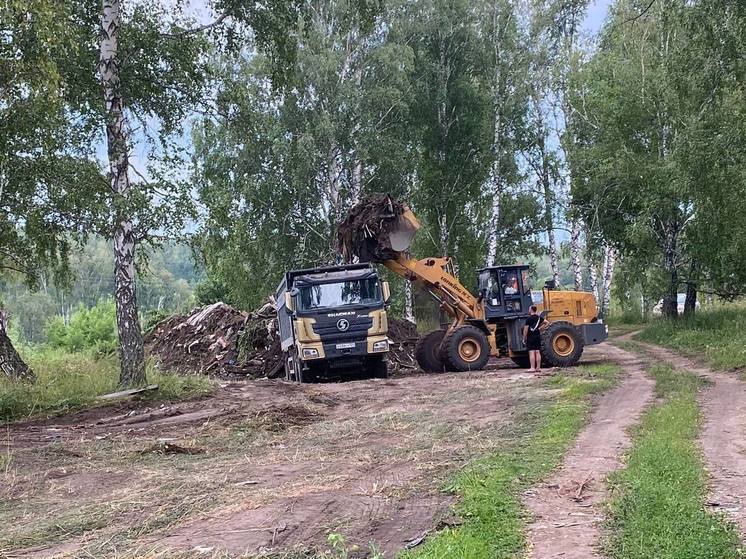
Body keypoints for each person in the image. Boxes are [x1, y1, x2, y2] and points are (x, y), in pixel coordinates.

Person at [522, 305, 544, 372]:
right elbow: (547, 323)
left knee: (531, 352)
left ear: (531, 309)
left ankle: (532, 368)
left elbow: (525, 330)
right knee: (537, 352)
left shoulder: (528, 319)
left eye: (529, 309)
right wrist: (539, 329)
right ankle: (538, 368)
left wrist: (524, 338)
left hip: (530, 336)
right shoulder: (539, 318)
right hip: (537, 336)